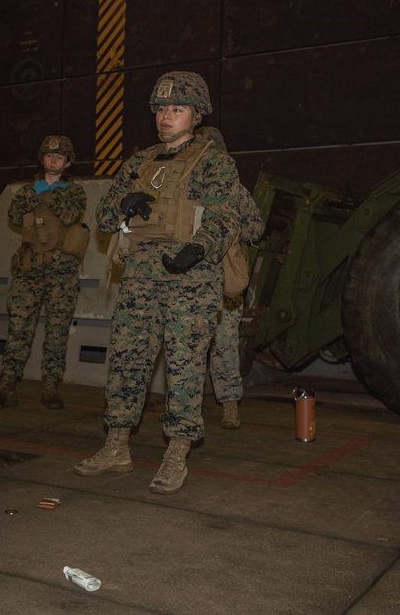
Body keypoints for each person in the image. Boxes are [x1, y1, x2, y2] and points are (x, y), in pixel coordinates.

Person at [74, 71, 241, 495]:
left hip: (191, 279)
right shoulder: (138, 162)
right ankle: (116, 446)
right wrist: (124, 203)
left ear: (197, 114)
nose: (167, 117)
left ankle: (176, 454)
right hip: (140, 279)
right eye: (162, 109)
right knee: (127, 361)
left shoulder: (214, 162)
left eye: (177, 109)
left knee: (184, 367)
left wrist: (199, 249)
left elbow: (227, 216)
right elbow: (106, 217)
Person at [0, 135, 88, 410]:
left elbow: (69, 217)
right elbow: (15, 217)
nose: (54, 159)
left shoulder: (74, 192)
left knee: (57, 329)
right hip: (29, 269)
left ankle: (51, 386)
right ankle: (7, 386)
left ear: (67, 163)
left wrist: (46, 193)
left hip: (62, 271)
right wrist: (36, 191)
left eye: (60, 156)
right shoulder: (26, 190)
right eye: (49, 155)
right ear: (42, 159)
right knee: (18, 328)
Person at [195, 127, 263, 430]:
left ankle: (230, 405)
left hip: (224, 282)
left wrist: (227, 229)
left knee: (224, 344)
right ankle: (184, 406)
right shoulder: (185, 187)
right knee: (187, 346)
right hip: (190, 280)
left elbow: (256, 228)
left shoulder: (235, 190)